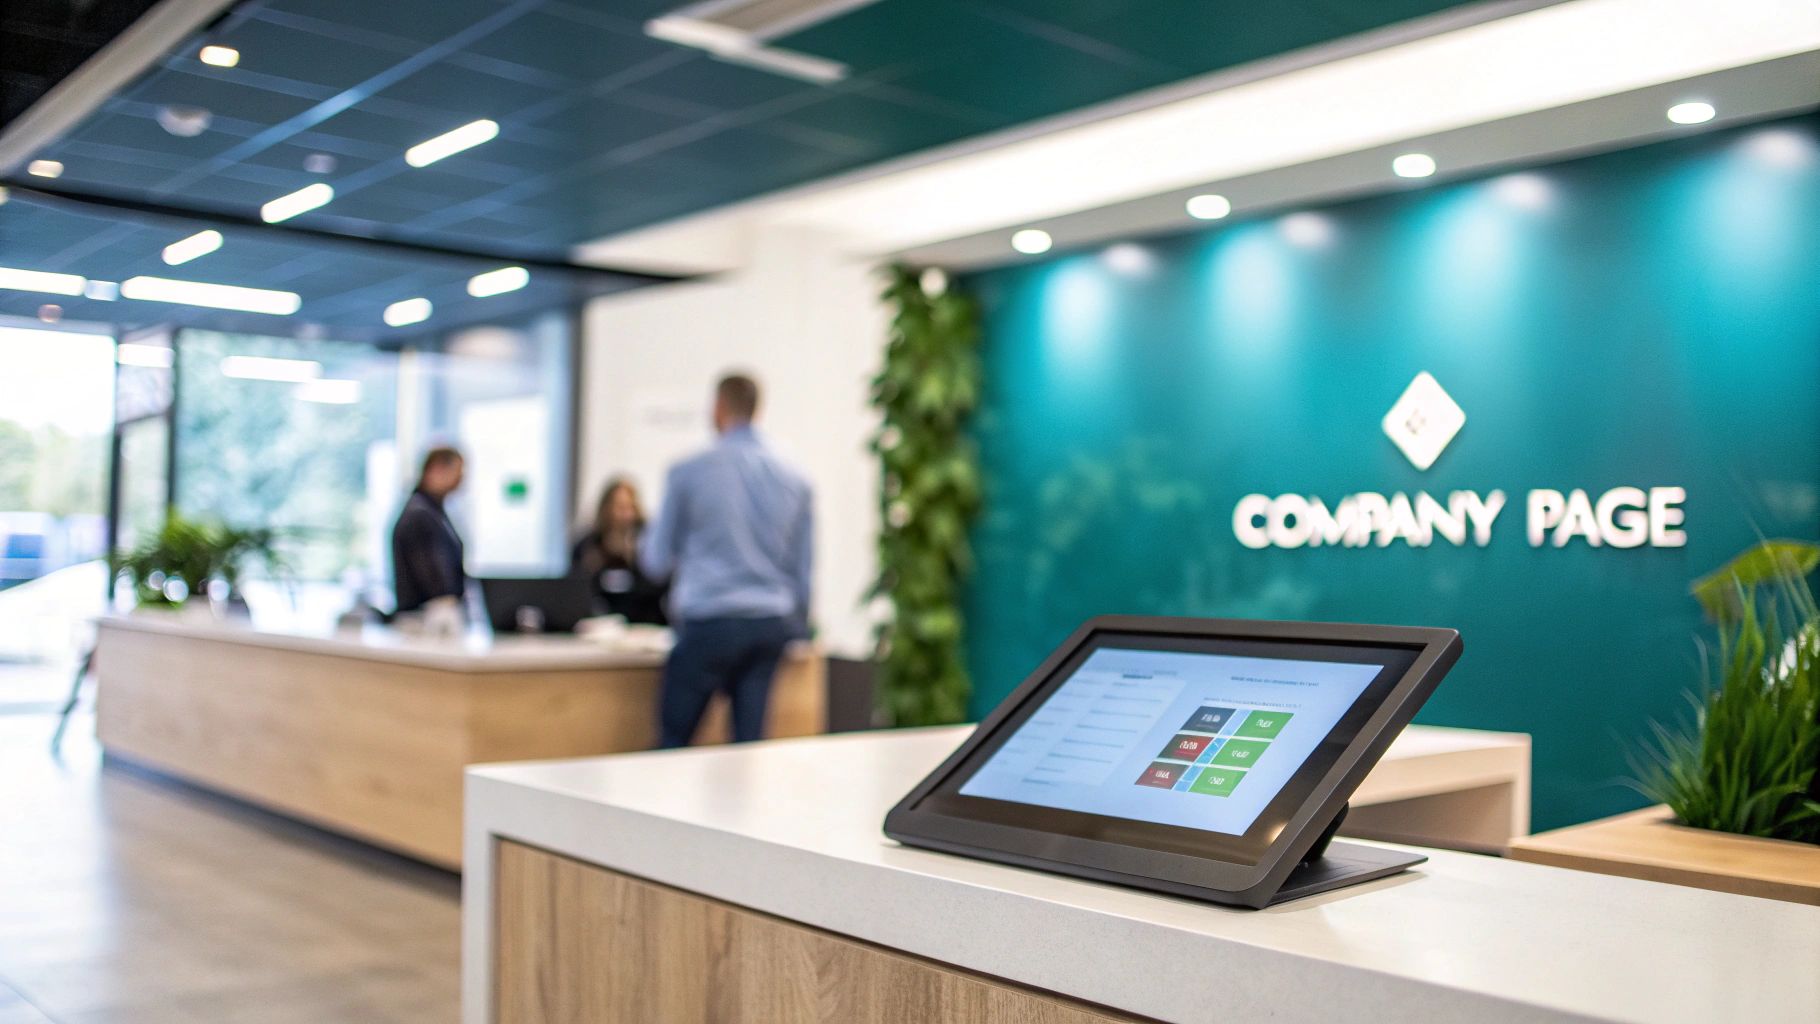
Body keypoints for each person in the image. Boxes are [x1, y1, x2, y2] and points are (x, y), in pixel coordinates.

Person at [641, 373, 813, 747]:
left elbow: (655, 560)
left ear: (718, 407)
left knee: (671, 745)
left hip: (709, 621)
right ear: (757, 409)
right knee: (748, 752)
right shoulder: (795, 478)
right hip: (769, 624)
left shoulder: (689, 471)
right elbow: (803, 571)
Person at [570, 477, 667, 625]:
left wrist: (634, 561)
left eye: (629, 508)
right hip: (601, 624)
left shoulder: (648, 543)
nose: (624, 515)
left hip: (644, 623)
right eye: (619, 508)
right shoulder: (588, 546)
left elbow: (660, 586)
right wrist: (591, 568)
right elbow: (574, 592)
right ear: (606, 509)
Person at [391, 446, 467, 618]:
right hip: (425, 620)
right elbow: (434, 578)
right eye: (458, 472)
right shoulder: (419, 515)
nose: (461, 479)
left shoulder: (434, 512)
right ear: (436, 469)